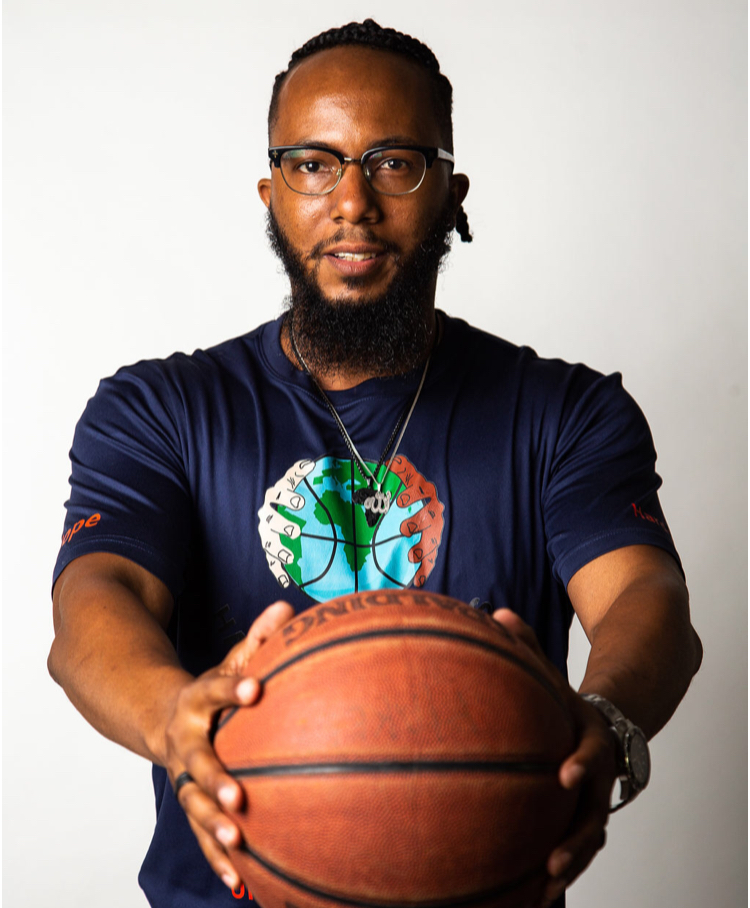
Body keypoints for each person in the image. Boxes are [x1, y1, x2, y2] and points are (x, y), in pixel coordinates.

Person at [47, 19, 702, 908]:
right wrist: (172, 716)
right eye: (313, 163)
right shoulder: (160, 409)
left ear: (452, 193)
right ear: (270, 192)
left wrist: (608, 717)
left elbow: (643, 598)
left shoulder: (564, 413)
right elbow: (95, 605)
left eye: (394, 162)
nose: (351, 201)